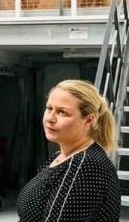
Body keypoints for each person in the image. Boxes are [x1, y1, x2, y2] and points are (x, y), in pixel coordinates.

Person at [17, 79, 120, 222]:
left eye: (62, 112)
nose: (50, 118)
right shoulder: (60, 157)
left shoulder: (87, 166)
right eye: (49, 108)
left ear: (89, 120)